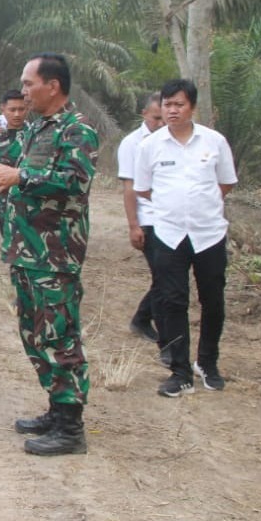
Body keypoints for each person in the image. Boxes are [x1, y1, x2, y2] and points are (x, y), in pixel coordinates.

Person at [0, 53, 98, 456]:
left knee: (60, 334)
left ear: (53, 85)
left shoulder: (77, 130)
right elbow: (8, 168)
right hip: (26, 250)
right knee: (34, 332)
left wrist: (21, 177)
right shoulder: (34, 129)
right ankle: (56, 405)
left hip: (56, 254)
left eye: (29, 83)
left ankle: (71, 427)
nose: (24, 90)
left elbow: (75, 181)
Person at [134, 78, 237, 398]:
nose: (172, 110)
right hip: (168, 233)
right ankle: (179, 372)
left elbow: (226, 184)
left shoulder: (214, 142)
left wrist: (200, 206)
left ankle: (207, 362)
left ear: (192, 107)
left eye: (179, 104)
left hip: (209, 234)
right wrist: (175, 207)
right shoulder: (150, 146)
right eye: (167, 105)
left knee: (213, 300)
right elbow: (144, 189)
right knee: (171, 301)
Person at [117, 92, 165, 346]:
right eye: (156, 117)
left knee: (167, 277)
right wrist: (134, 225)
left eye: (164, 118)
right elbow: (129, 188)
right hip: (148, 218)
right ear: (144, 114)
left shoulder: (173, 139)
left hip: (172, 219)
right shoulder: (132, 143)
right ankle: (149, 323)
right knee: (164, 276)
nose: (161, 123)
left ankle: (142, 318)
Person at [0, 90, 29, 234]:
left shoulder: (35, 135)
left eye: (21, 109)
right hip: (5, 203)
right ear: (3, 109)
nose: (17, 114)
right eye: (12, 109)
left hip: (32, 201)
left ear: (27, 108)